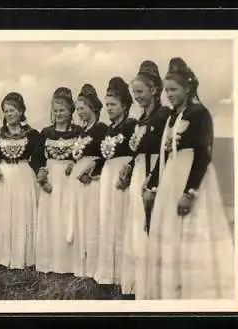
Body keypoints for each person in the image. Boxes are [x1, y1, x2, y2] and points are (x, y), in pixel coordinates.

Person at [143, 57, 234, 299]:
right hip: (171, 176)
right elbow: (164, 153)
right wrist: (152, 184)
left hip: (193, 179)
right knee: (171, 232)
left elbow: (203, 155)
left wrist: (189, 192)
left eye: (174, 90)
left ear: (188, 89)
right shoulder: (172, 117)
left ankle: (194, 292)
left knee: (191, 231)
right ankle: (172, 288)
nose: (169, 95)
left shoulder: (199, 114)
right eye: (167, 91)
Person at [121, 60, 171, 299]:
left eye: (140, 92)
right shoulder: (141, 119)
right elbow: (137, 150)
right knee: (138, 223)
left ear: (154, 90)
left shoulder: (163, 116)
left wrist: (152, 180)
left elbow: (165, 150)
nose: (137, 97)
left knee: (151, 224)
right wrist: (129, 167)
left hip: (155, 171)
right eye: (134, 93)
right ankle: (137, 284)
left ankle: (154, 286)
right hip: (140, 170)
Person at [93, 77, 137, 297]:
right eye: (107, 104)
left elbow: (137, 154)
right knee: (108, 218)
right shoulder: (108, 129)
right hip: (108, 173)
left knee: (122, 218)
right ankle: (108, 273)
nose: (109, 109)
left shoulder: (131, 126)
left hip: (122, 175)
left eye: (113, 105)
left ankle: (123, 274)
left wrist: (128, 170)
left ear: (125, 106)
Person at [0, 92, 41, 269]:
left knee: (21, 214)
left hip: (23, 175)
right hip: (3, 177)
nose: (9, 114)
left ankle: (21, 257)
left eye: (13, 110)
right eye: (6, 111)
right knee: (3, 215)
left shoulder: (32, 134)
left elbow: (38, 158)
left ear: (21, 111)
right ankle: (3, 257)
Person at [33, 87, 83, 274]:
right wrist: (41, 175)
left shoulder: (78, 132)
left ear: (70, 111)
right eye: (55, 110)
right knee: (51, 217)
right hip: (51, 180)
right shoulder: (46, 133)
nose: (59, 114)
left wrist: (75, 162)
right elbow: (36, 158)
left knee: (68, 215)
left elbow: (85, 153)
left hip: (70, 180)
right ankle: (50, 263)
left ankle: (69, 264)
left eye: (62, 110)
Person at [66, 84, 107, 279]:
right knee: (81, 221)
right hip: (79, 181)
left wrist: (91, 173)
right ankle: (81, 266)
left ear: (93, 108)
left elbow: (105, 156)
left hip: (92, 183)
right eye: (78, 109)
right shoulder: (82, 132)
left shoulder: (101, 130)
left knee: (92, 222)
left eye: (82, 108)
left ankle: (94, 267)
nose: (79, 112)